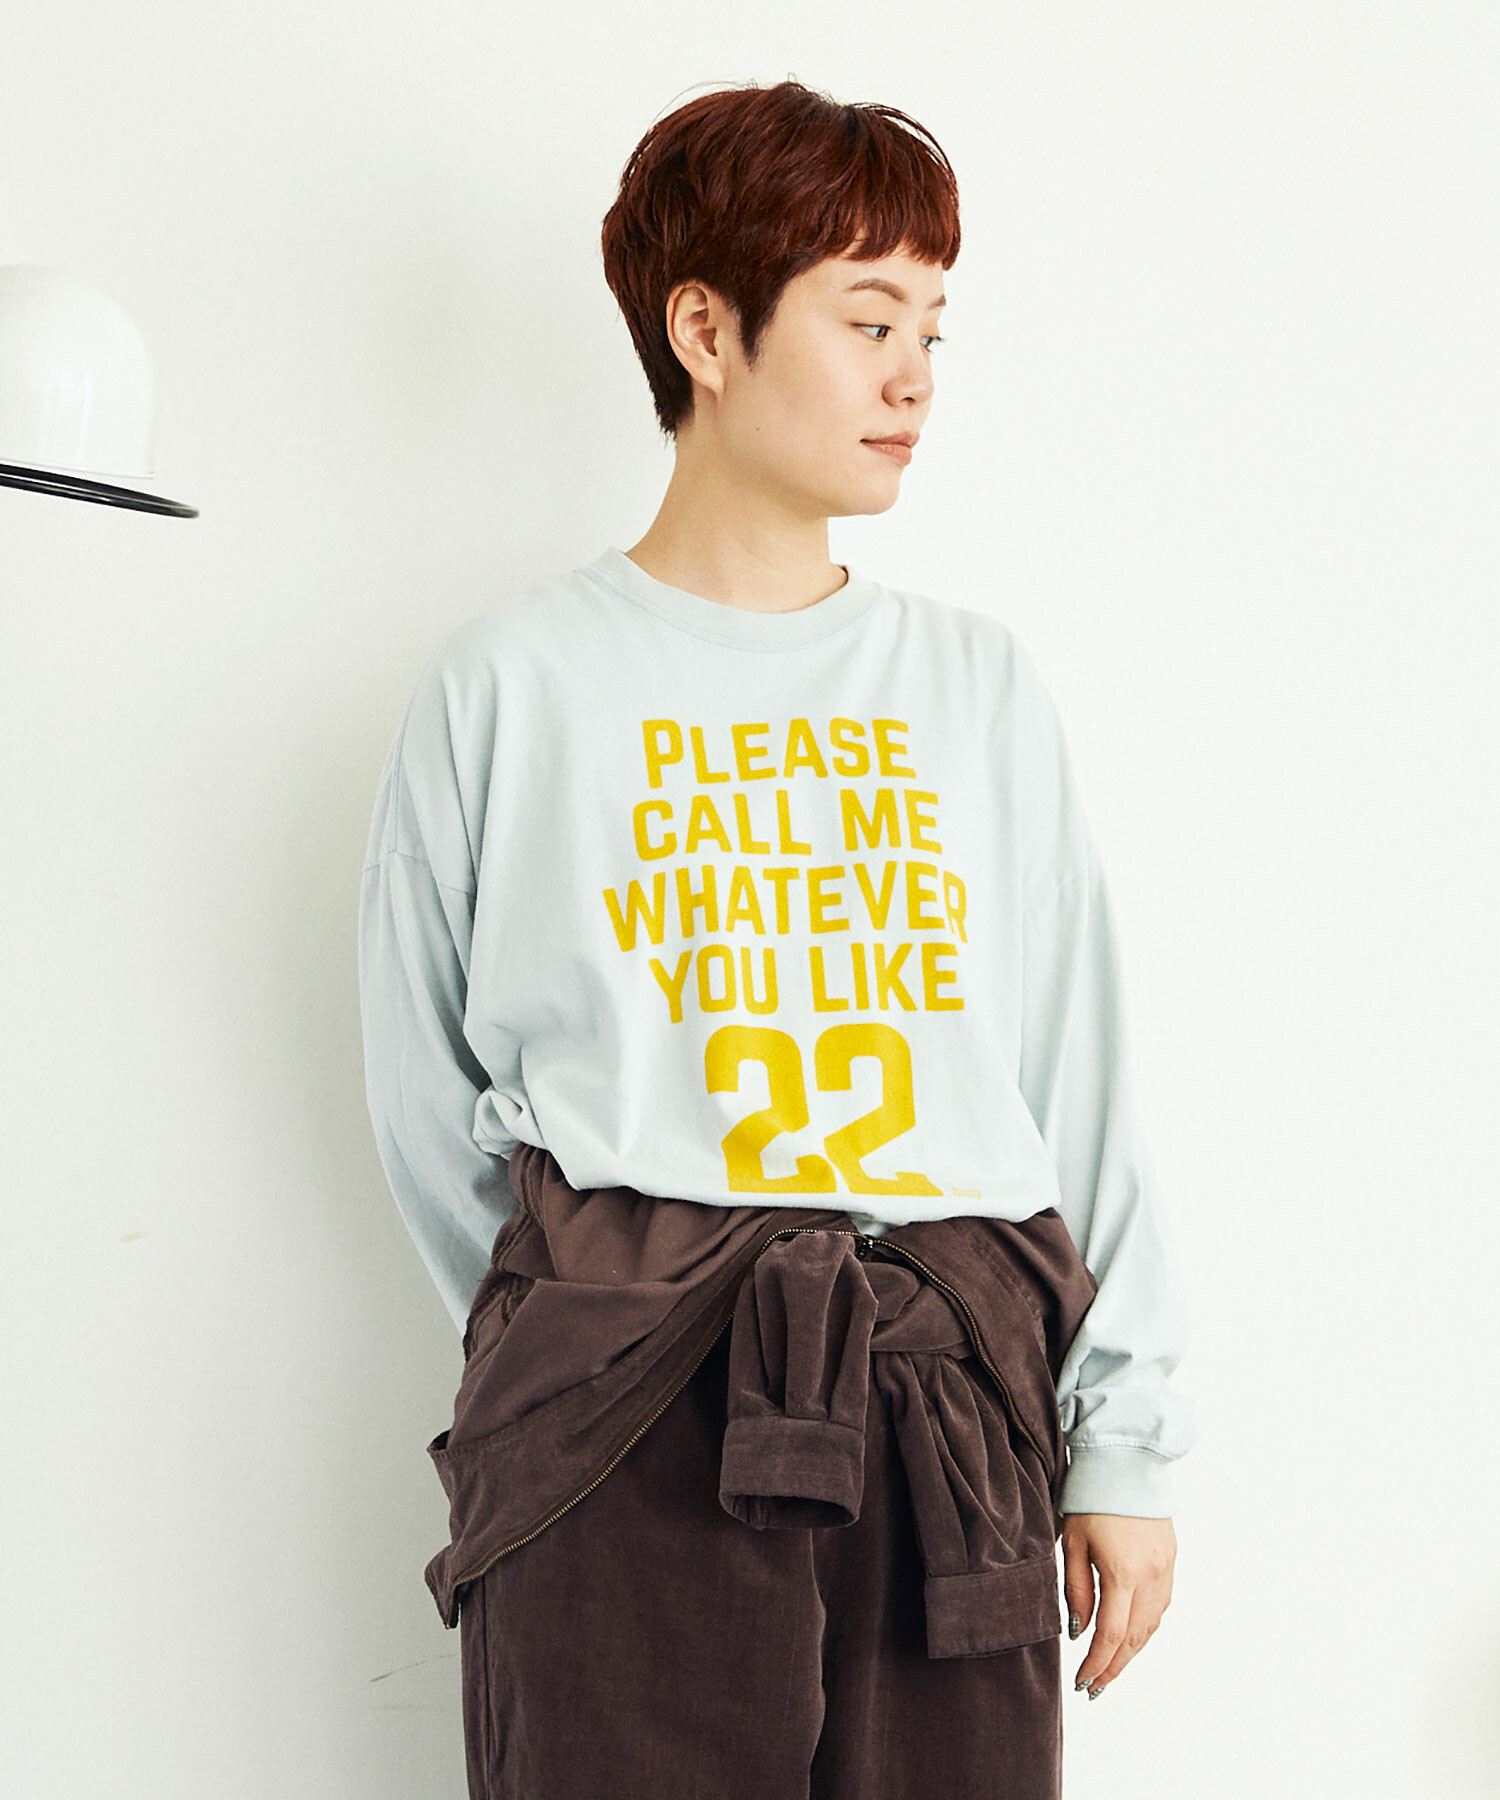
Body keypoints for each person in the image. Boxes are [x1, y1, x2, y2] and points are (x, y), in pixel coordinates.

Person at [358, 76, 1196, 1799]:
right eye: (869, 321)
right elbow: (421, 1094)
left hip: (943, 1408)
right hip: (619, 1426)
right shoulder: (517, 685)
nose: (915, 379)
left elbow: (1075, 1078)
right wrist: (584, 1342)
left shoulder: (973, 688)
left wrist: (1122, 1438)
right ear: (705, 332)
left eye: (933, 331)